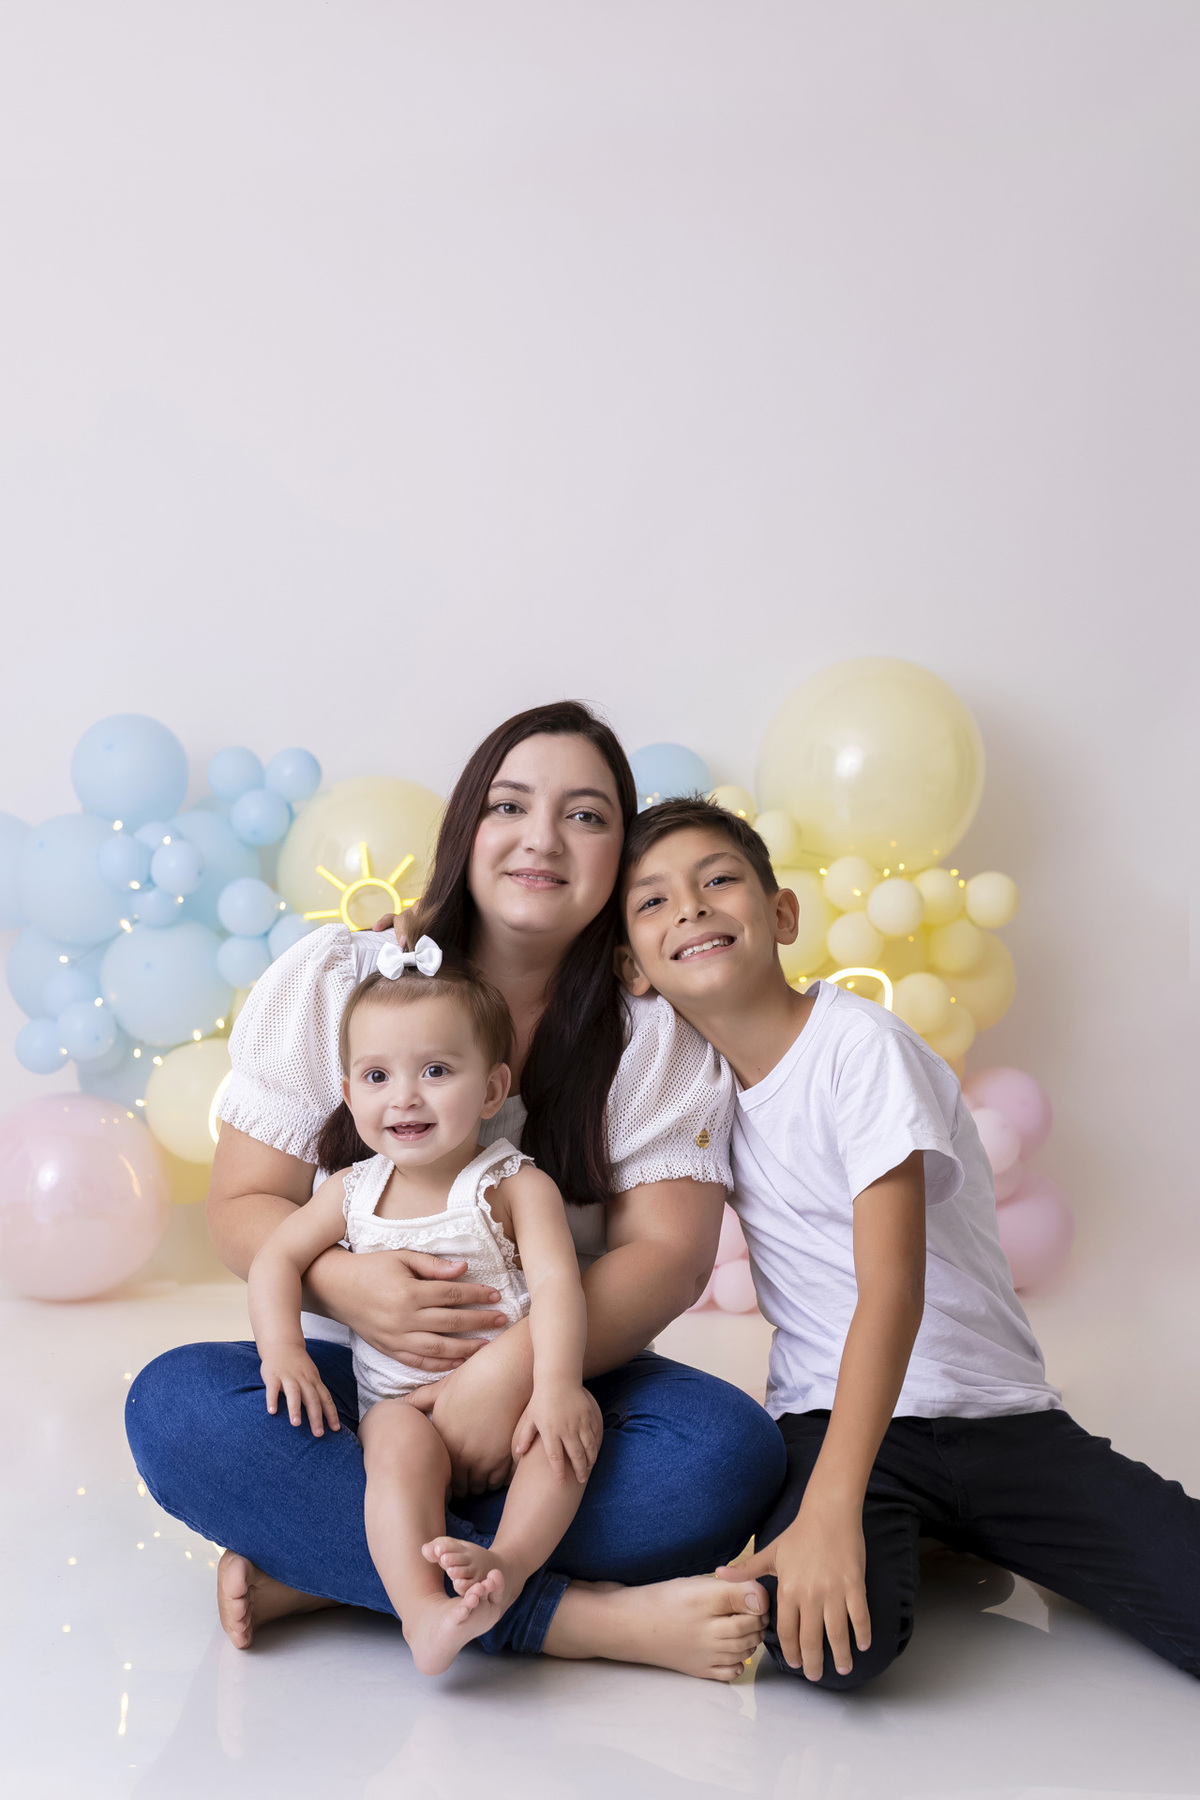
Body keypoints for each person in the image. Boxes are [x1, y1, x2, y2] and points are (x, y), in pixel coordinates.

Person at [126, 701, 783, 1682]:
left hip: (560, 1378)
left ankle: (338, 1566)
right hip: (372, 1386)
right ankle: (567, 1618)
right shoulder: (347, 978)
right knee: (175, 1409)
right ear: (465, 827)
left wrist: (513, 1373)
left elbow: (669, 1257)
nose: (541, 840)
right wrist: (348, 1286)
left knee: (723, 1456)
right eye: (509, 805)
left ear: (619, 855)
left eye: (586, 816)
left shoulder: (650, 1027)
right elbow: (242, 1207)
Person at [617, 795, 1200, 1690]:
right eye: (653, 900)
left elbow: (892, 1289)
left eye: (718, 880)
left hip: (994, 1415)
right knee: (827, 1651)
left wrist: (831, 1508)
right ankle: (927, 1532)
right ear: (633, 966)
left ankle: (972, 1526)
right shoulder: (686, 1093)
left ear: (782, 914)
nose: (690, 907)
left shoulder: (860, 1048)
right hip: (829, 1414)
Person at [249, 941, 602, 1674]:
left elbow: (560, 1289)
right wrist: (283, 1351)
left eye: (436, 1071)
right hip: (403, 1408)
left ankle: (506, 1567)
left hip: (515, 1408)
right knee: (392, 1448)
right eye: (377, 1076)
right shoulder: (350, 1190)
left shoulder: (513, 1183)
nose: (404, 1097)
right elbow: (275, 1258)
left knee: (572, 1436)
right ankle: (422, 1612)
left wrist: (557, 1387)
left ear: (492, 1088)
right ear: (349, 1094)